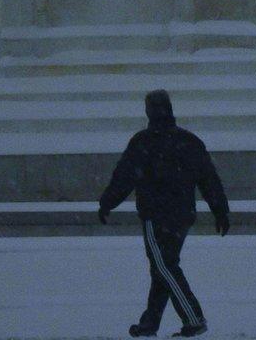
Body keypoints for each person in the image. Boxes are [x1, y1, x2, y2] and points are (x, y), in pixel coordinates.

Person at [98, 89, 230, 338]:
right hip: (182, 216)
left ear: (148, 111)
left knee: (164, 266)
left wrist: (107, 203)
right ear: (170, 109)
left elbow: (123, 178)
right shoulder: (189, 141)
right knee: (163, 267)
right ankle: (150, 323)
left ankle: (193, 318)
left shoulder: (142, 142)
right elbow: (209, 180)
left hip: (155, 216)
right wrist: (220, 211)